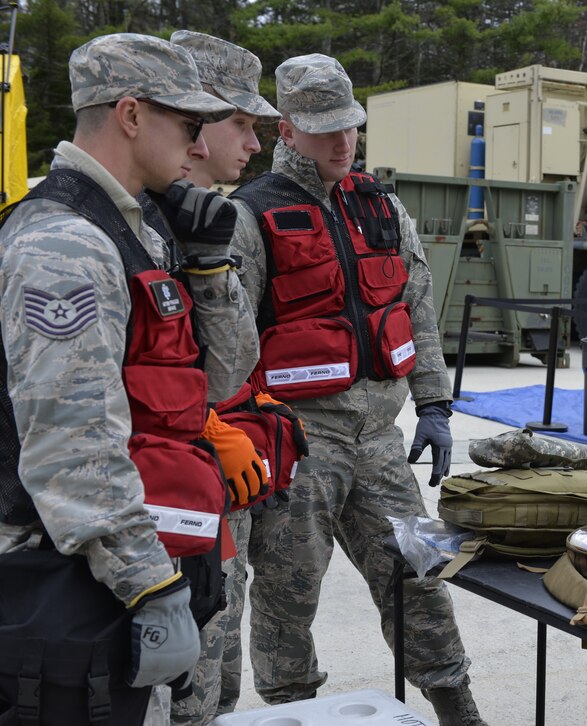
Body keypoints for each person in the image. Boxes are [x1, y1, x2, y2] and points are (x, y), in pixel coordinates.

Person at [229, 54, 486, 725]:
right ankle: (292, 711)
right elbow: (230, 344)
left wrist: (434, 402)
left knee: (422, 577)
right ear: (285, 129)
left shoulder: (383, 208)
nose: (343, 142)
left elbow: (418, 308)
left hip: (380, 442)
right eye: (323, 129)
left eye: (350, 126)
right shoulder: (249, 217)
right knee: (289, 594)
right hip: (298, 442)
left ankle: (458, 706)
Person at [0, 33, 248, 724]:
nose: (200, 146)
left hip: (138, 555)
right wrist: (148, 585)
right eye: (189, 126)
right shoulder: (65, 244)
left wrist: (210, 268)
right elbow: (70, 448)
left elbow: (221, 379)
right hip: (74, 571)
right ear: (132, 116)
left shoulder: (147, 228)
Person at [145, 30, 283, 726]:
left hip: (213, 487)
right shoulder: (123, 226)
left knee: (215, 678)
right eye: (243, 123)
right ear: (196, 124)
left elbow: (225, 359)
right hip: (156, 504)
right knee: (176, 687)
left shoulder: (204, 223)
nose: (254, 144)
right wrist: (203, 424)